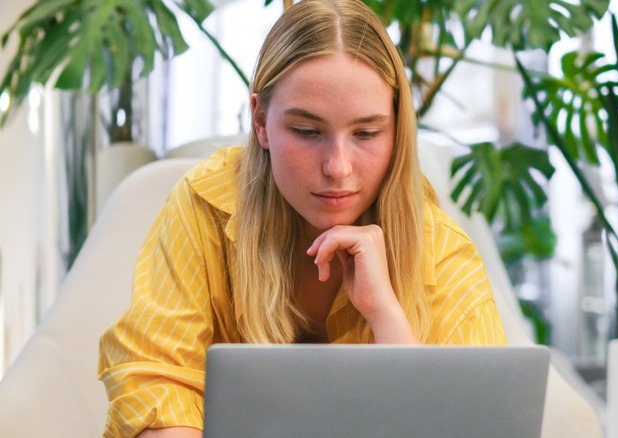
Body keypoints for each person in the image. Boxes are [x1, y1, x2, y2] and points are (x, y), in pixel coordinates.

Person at [98, 0, 506, 436]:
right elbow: (155, 382)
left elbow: (468, 423)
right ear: (261, 121)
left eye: (366, 133)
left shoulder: (440, 248)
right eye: (308, 132)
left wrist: (384, 311)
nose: (338, 167)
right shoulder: (205, 207)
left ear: (397, 129)